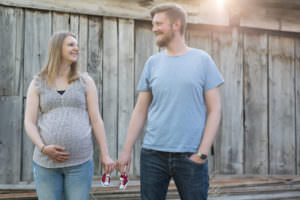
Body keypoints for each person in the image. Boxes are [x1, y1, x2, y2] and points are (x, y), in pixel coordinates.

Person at [116, 3, 224, 200]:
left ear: (176, 24)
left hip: (190, 155)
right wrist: (126, 151)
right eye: (153, 24)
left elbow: (215, 110)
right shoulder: (152, 63)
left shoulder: (202, 60)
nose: (154, 28)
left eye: (159, 24)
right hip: (152, 155)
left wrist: (202, 153)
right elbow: (140, 110)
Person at [24, 32, 115, 200]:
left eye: (76, 45)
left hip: (80, 163)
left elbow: (96, 119)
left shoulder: (85, 81)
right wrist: (43, 148)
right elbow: (29, 122)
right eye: (71, 45)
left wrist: (105, 154)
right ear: (58, 48)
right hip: (46, 164)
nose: (76, 48)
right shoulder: (38, 82)